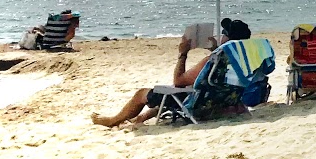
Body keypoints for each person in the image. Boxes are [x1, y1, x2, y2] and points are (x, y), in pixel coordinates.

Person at [90, 20, 250, 127]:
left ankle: (112, 121)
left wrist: (183, 53)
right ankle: (140, 118)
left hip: (200, 105)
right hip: (225, 101)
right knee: (177, 91)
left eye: (224, 33)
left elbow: (179, 80)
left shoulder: (214, 60)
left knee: (142, 94)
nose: (221, 35)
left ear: (227, 38)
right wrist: (215, 50)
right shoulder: (246, 58)